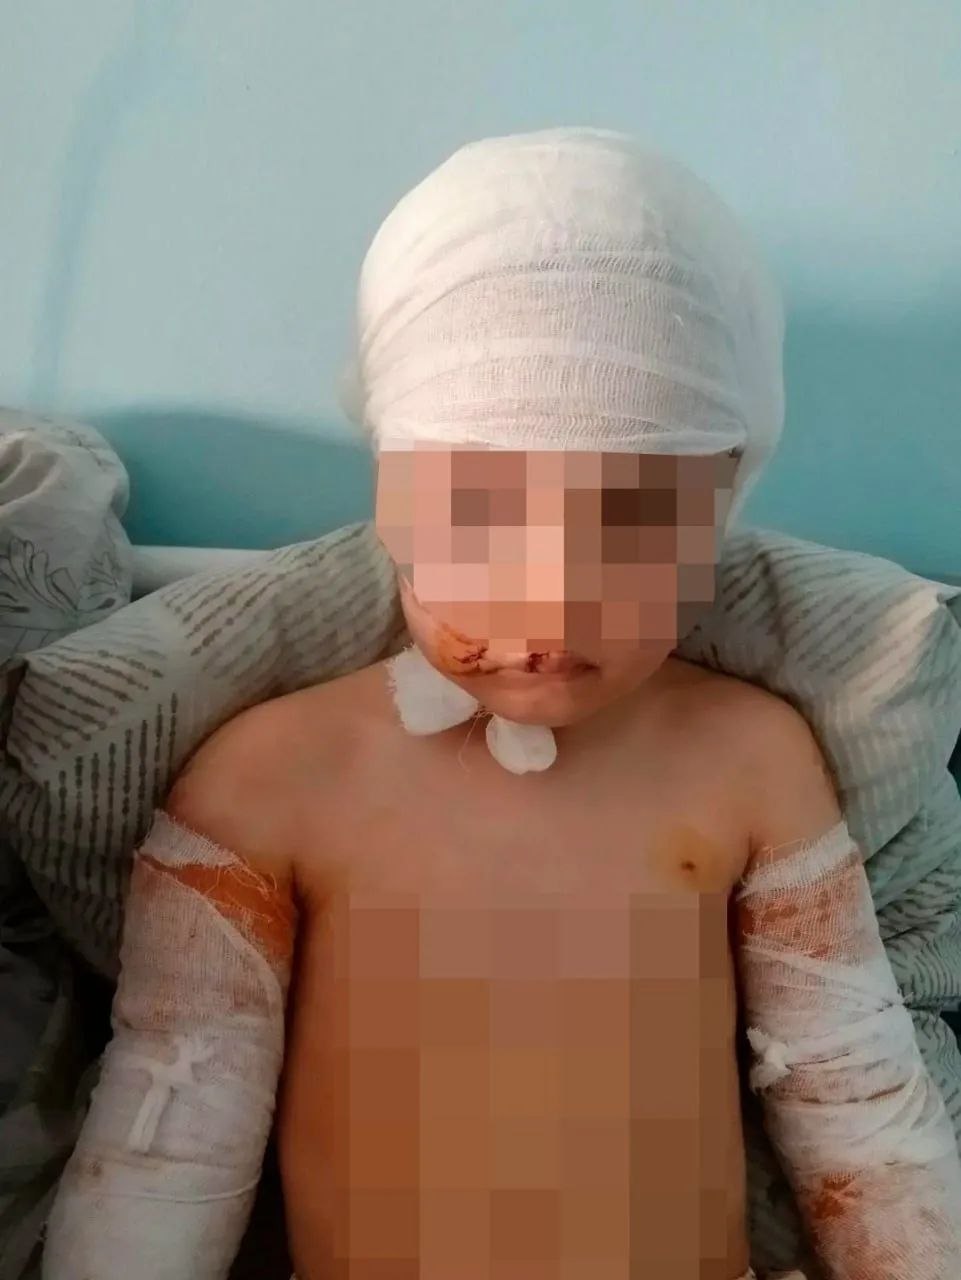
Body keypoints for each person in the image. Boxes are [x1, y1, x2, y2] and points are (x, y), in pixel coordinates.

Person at [43, 130, 961, 1280]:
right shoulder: (269, 779)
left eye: (626, 535)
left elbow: (859, 1104)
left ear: (717, 516)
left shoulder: (749, 759)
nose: (545, 606)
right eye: (473, 526)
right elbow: (164, 1138)